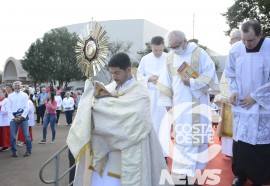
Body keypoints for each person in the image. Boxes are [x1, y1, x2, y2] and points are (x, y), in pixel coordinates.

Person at [67, 52, 170, 186]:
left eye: (117, 73)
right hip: (109, 152)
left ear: (128, 70)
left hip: (132, 149)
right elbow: (103, 110)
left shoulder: (140, 92)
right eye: (111, 73)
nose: (114, 77)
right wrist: (91, 98)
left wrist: (103, 107)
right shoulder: (110, 88)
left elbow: (135, 118)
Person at [156, 30, 218, 184]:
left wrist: (191, 82)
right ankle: (182, 179)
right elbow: (165, 83)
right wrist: (166, 105)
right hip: (180, 110)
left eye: (176, 46)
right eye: (171, 47)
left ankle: (195, 177)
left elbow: (210, 76)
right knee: (183, 143)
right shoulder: (170, 58)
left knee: (198, 144)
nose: (174, 50)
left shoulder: (199, 54)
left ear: (184, 41)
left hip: (199, 107)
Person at [225, 19, 270, 186]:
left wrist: (256, 96)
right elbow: (231, 73)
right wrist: (234, 90)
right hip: (242, 105)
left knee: (260, 145)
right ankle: (241, 175)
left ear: (260, 35)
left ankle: (261, 177)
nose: (246, 43)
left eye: (250, 40)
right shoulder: (236, 49)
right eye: (243, 39)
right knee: (241, 144)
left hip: (263, 104)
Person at [215, 29, 241, 158]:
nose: (230, 41)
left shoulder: (243, 53)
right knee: (228, 122)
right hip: (228, 96)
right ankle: (230, 152)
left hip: (240, 97)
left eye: (232, 39)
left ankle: (237, 152)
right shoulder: (231, 53)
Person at [137, 36, 167, 139]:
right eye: (155, 50)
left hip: (164, 95)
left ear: (164, 47)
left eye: (160, 50)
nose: (158, 52)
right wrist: (149, 78)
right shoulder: (145, 59)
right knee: (151, 122)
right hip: (150, 95)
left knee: (163, 123)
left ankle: (163, 152)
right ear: (151, 47)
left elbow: (174, 76)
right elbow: (138, 76)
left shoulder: (169, 58)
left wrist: (162, 79)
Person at [7, 81, 31, 157]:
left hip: (23, 117)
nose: (17, 87)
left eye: (18, 85)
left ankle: (28, 150)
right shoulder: (10, 96)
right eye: (15, 86)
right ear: (13, 87)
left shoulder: (25, 95)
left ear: (21, 86)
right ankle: (14, 151)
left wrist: (22, 116)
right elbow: (8, 108)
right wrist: (13, 118)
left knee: (26, 135)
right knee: (13, 136)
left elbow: (27, 107)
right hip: (13, 118)